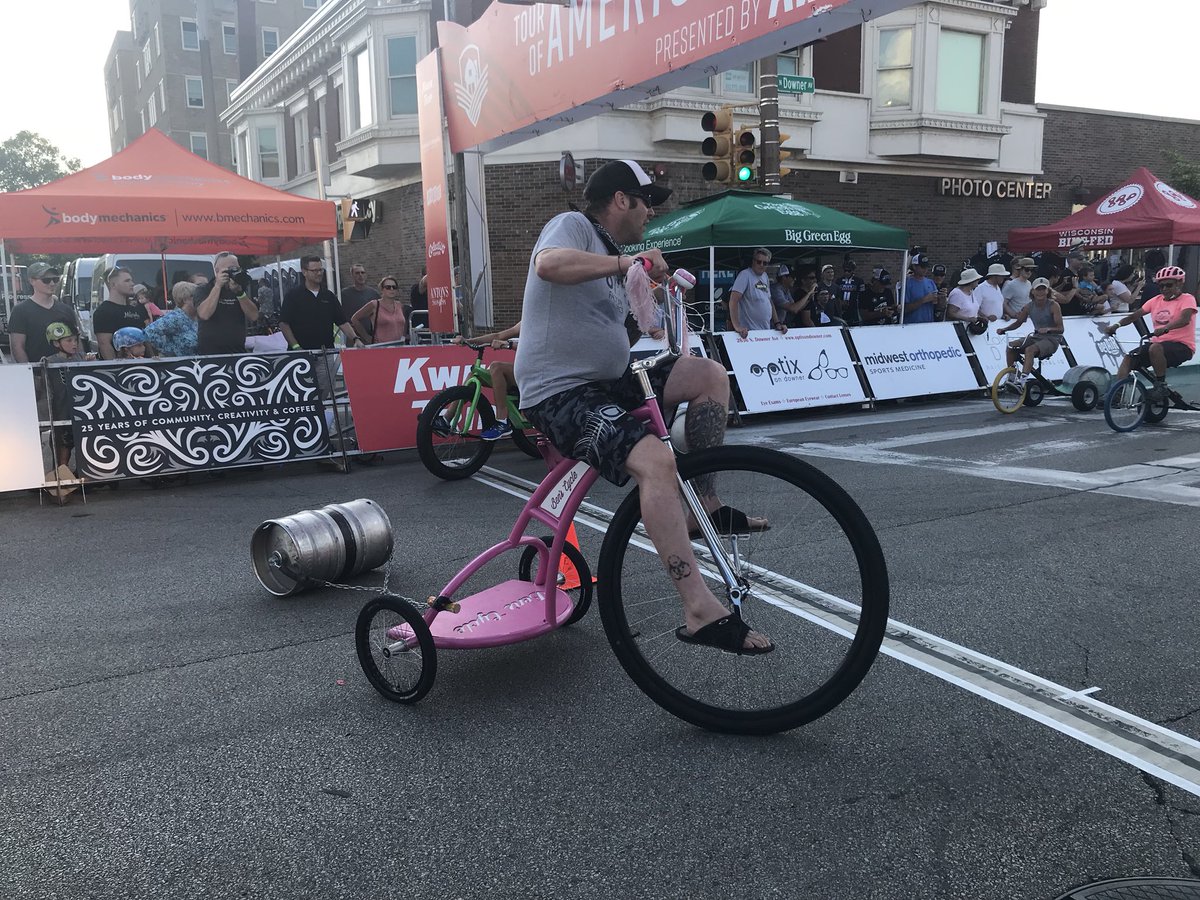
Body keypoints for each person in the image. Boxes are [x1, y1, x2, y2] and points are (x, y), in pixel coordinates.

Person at [513, 159, 772, 654]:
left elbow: (609, 326)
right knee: (655, 460)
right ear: (620, 200)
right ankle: (698, 608)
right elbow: (548, 265)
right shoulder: (575, 227)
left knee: (709, 374)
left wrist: (653, 305)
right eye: (647, 201)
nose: (651, 212)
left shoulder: (615, 256)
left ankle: (705, 507)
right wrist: (626, 266)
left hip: (608, 381)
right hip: (558, 392)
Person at [1099, 266, 1197, 384]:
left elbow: (1184, 320)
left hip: (1182, 347)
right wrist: (1116, 326)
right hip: (1158, 344)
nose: (1165, 289)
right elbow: (1133, 316)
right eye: (1161, 286)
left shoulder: (1187, 299)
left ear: (1180, 283)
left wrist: (1165, 328)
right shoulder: (1155, 300)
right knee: (1129, 357)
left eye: (1169, 285)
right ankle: (1116, 393)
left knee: (1154, 348)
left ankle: (1160, 385)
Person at [453, 321, 522, 440]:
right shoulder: (527, 320)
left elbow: (537, 347)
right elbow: (498, 336)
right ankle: (446, 418)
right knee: (474, 375)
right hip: (522, 371)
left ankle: (502, 421)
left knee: (496, 367)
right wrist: (468, 341)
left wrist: (509, 345)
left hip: (537, 373)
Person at [281, 256, 363, 352]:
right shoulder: (292, 296)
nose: (319, 273)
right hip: (302, 354)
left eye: (321, 270)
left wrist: (355, 338)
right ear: (304, 272)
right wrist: (296, 347)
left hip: (327, 353)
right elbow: (284, 323)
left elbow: (342, 321)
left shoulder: (329, 296)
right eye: (314, 271)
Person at [41, 322, 90, 470]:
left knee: (85, 444)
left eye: (75, 340)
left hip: (82, 410)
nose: (74, 344)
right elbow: (45, 387)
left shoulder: (82, 357)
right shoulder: (49, 361)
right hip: (62, 411)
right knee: (62, 444)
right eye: (69, 340)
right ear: (56, 343)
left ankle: (84, 475)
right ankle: (61, 474)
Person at [996, 278, 1064, 383]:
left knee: (1030, 350)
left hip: (1052, 339)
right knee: (1011, 346)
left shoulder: (1054, 305)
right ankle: (1012, 375)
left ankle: (1023, 380)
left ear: (1047, 291)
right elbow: (1018, 322)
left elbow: (1060, 329)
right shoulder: (1029, 306)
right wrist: (1004, 329)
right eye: (1038, 289)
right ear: (1033, 291)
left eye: (1043, 289)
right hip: (1037, 337)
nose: (1040, 292)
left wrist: (1048, 329)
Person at [8, 262, 78, 364]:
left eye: (55, 279)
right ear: (32, 281)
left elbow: (77, 341)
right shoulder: (20, 310)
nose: (52, 283)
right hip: (38, 373)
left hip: (67, 373)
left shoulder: (66, 309)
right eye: (46, 280)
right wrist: (30, 372)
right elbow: (17, 347)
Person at [196, 252, 258, 355]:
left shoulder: (239, 289)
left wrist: (240, 293)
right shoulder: (204, 289)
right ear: (217, 271)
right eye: (230, 269)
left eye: (236, 268)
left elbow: (254, 316)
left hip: (237, 353)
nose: (234, 272)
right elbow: (204, 314)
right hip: (210, 354)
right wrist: (218, 286)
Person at [727, 248, 788, 338]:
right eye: (759, 262)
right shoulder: (745, 275)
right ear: (753, 261)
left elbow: (769, 300)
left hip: (764, 331)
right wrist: (737, 326)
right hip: (748, 333)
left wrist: (777, 323)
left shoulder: (765, 276)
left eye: (765, 263)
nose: (761, 265)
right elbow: (733, 300)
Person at [93, 266, 149, 360]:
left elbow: (146, 339)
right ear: (113, 285)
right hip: (121, 368)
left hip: (145, 367)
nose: (132, 284)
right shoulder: (103, 312)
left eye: (131, 280)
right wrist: (115, 369)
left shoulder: (138, 308)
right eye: (127, 281)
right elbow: (104, 345)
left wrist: (153, 360)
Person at [144, 282, 201, 357]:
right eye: (197, 296)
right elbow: (149, 332)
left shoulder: (198, 317)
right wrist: (169, 351)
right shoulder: (175, 317)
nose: (201, 299)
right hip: (179, 365)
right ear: (185, 299)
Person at [351, 276, 407, 346]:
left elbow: (403, 323)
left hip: (399, 346)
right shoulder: (374, 305)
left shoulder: (399, 305)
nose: (391, 289)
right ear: (382, 289)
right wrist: (366, 337)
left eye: (394, 287)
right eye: (388, 287)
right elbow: (354, 319)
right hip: (380, 347)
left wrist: (403, 337)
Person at [902, 254, 938, 324]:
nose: (925, 269)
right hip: (911, 325)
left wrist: (942, 300)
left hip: (928, 324)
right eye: (922, 267)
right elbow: (904, 309)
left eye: (926, 267)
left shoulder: (930, 282)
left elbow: (937, 306)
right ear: (914, 266)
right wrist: (924, 300)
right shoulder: (907, 283)